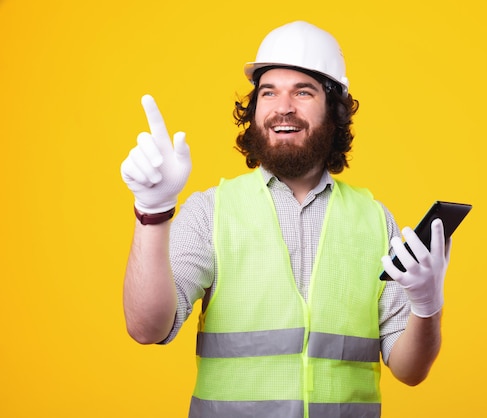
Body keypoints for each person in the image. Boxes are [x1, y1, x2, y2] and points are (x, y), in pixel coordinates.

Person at [121, 20, 451, 418]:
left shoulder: (374, 220)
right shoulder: (211, 211)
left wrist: (427, 306)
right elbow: (147, 328)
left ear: (334, 110)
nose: (283, 106)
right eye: (268, 92)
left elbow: (410, 370)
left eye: (303, 91)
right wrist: (153, 213)